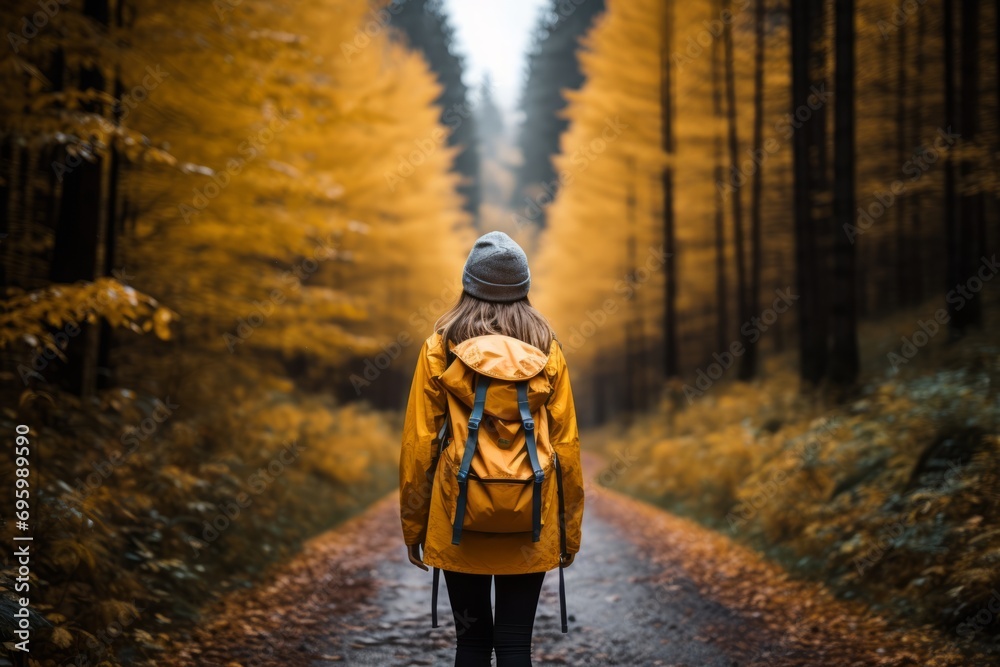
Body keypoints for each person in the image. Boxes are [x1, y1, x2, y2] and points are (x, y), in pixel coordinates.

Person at [399, 231, 585, 667]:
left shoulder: (440, 348)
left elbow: (419, 446)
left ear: (468, 285)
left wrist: (414, 528)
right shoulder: (547, 349)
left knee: (473, 643)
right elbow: (567, 449)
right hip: (532, 517)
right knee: (517, 641)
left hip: (457, 515)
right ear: (523, 289)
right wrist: (569, 532)